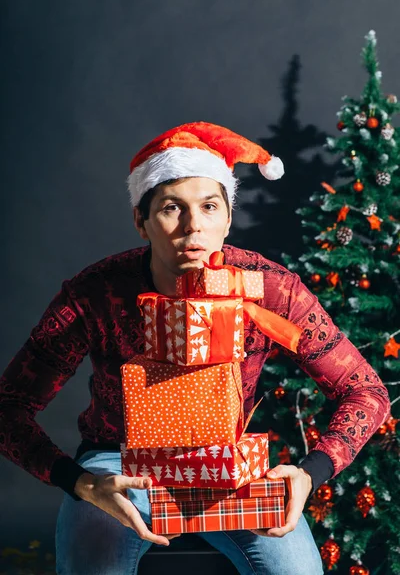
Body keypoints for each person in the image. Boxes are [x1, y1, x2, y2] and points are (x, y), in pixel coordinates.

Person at [0, 122, 390, 575]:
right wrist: (82, 483)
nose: (193, 227)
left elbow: (365, 391)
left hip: (229, 462)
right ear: (140, 221)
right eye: (171, 208)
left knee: (296, 570)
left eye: (208, 207)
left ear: (227, 217)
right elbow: (9, 406)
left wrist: (311, 471)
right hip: (119, 461)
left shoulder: (271, 290)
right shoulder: (95, 293)